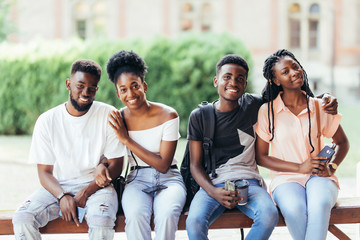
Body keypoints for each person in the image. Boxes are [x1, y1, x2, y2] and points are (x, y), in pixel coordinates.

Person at [12, 59, 126, 240]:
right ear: (68, 84)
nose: (85, 92)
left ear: (97, 89)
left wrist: (86, 192)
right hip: (60, 185)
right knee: (23, 218)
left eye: (92, 88)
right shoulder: (47, 120)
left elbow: (117, 166)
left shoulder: (108, 114)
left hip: (98, 187)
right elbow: (44, 173)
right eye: (80, 85)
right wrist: (62, 196)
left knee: (101, 220)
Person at [255, 49, 349, 240]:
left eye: (295, 66)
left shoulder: (319, 106)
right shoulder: (267, 112)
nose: (294, 72)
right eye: (285, 71)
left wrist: (332, 167)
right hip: (286, 179)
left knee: (320, 204)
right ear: (276, 80)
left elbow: (342, 142)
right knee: (295, 209)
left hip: (319, 176)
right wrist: (299, 167)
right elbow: (261, 157)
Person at [95, 50, 186, 240]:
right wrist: (101, 165)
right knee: (135, 216)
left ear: (144, 86)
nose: (130, 93)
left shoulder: (168, 115)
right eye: (123, 89)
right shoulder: (117, 118)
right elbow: (109, 154)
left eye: (135, 86)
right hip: (137, 179)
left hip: (169, 177)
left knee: (167, 215)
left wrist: (127, 139)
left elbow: (162, 164)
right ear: (118, 93)